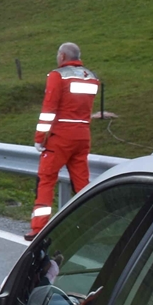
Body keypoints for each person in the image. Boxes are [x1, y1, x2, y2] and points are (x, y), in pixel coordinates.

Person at [30, 42, 99, 238]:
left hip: (60, 136)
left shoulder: (58, 76)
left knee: (46, 180)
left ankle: (39, 228)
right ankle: (90, 225)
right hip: (82, 134)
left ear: (62, 56)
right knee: (82, 183)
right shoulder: (92, 77)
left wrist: (40, 138)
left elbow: (49, 109)